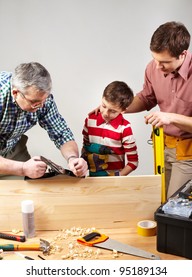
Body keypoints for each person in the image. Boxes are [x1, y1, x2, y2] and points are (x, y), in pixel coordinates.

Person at [91, 21, 192, 198]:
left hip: (188, 152)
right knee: (161, 200)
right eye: (155, 59)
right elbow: (146, 98)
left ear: (183, 54)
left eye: (164, 62)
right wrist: (115, 108)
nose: (158, 67)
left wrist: (171, 118)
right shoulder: (153, 68)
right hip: (163, 146)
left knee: (174, 207)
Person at [0, 62, 88, 179]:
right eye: (35, 102)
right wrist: (22, 168)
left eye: (44, 100)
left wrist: (73, 158)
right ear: (15, 93)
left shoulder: (42, 99)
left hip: (12, 146)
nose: (41, 106)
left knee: (27, 193)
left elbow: (61, 133)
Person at [82, 81, 138, 177]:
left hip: (115, 184)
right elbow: (85, 148)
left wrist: (118, 177)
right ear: (102, 98)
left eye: (112, 111)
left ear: (123, 111)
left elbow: (133, 162)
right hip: (91, 180)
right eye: (104, 106)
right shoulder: (90, 120)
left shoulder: (125, 128)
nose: (105, 113)